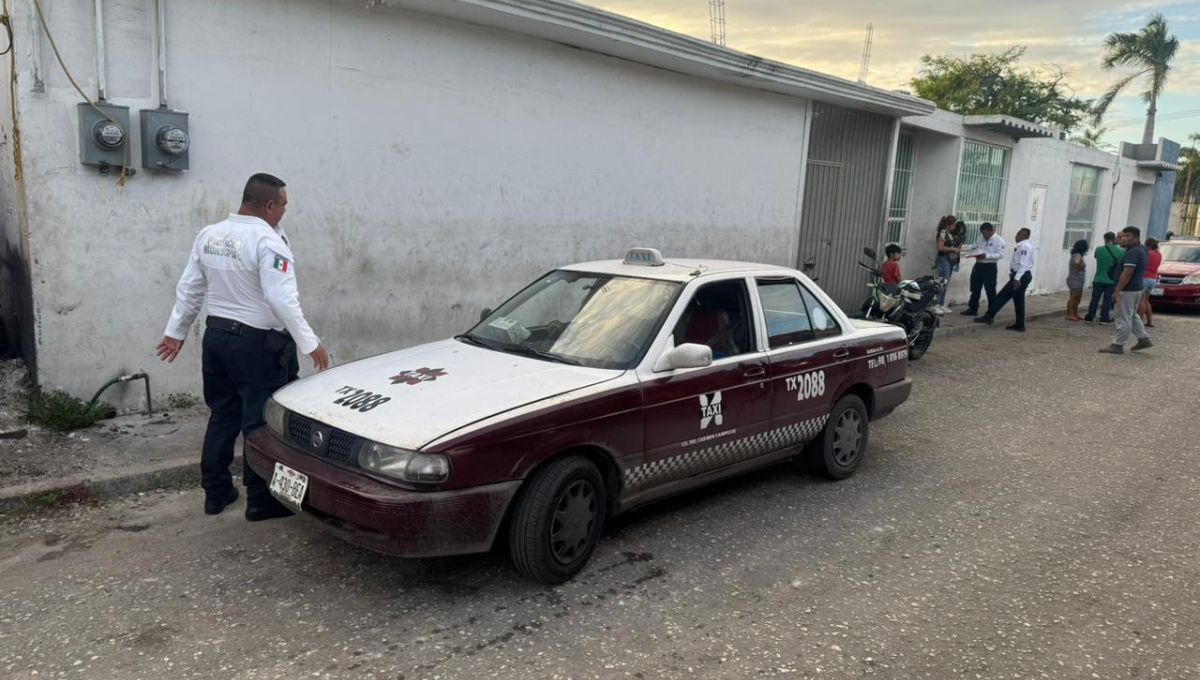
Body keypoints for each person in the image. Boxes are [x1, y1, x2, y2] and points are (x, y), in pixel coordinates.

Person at [156, 173, 331, 520]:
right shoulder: (267, 241)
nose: (284, 211)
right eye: (283, 205)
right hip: (257, 346)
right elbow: (281, 298)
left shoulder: (210, 235)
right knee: (260, 423)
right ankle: (260, 501)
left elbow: (190, 288)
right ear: (269, 205)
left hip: (217, 339)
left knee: (223, 415)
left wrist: (176, 331)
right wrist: (309, 342)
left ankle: (216, 493)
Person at [1099, 227, 1153, 355]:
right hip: (1135, 288)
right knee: (1132, 315)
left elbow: (1128, 272)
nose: (1123, 238)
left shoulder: (1133, 252)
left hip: (1127, 289)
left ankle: (1117, 345)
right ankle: (1143, 339)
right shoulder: (1140, 250)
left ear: (1136, 238)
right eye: (1122, 236)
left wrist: (1117, 290)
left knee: (1122, 317)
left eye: (1127, 236)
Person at [974, 227, 1035, 332]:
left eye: (1018, 234)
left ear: (1023, 236)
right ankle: (1020, 324)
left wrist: (1016, 278)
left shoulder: (1024, 247)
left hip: (1020, 276)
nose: (1016, 236)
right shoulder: (1024, 246)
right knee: (1019, 300)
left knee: (1002, 296)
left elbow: (1023, 264)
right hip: (1022, 276)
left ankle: (989, 315)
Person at [959, 222, 1005, 316]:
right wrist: (974, 253)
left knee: (990, 290)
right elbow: (973, 247)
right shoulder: (981, 239)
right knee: (975, 288)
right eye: (982, 233)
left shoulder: (999, 241)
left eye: (985, 233)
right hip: (979, 265)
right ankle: (973, 308)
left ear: (991, 231)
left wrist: (986, 255)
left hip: (990, 267)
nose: (984, 235)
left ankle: (991, 312)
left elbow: (1000, 255)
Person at [1084, 232, 1123, 325]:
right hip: (1111, 279)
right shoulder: (1121, 251)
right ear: (1114, 239)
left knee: (1095, 299)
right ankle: (1104, 318)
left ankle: (1090, 316)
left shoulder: (1098, 249)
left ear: (1104, 238)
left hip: (1098, 278)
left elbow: (1097, 257)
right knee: (1107, 299)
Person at [933, 216, 964, 315]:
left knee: (946, 282)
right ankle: (934, 305)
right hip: (943, 259)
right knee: (942, 282)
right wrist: (953, 249)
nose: (955, 227)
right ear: (948, 225)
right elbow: (940, 247)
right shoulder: (943, 232)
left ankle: (941, 304)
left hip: (950, 259)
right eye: (953, 225)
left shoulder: (950, 233)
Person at [1139, 237, 1162, 327]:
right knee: (1146, 301)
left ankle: (1139, 321)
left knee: (1141, 301)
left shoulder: (1148, 253)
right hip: (1153, 279)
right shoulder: (1158, 254)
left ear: (1147, 245)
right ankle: (1149, 321)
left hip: (1144, 278)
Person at [1065, 239, 1089, 321]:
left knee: (1078, 298)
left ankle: (1075, 313)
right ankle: (1069, 314)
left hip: (1078, 279)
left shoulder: (1077, 255)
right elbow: (1076, 262)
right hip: (1075, 279)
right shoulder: (1077, 255)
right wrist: (1080, 267)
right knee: (1073, 297)